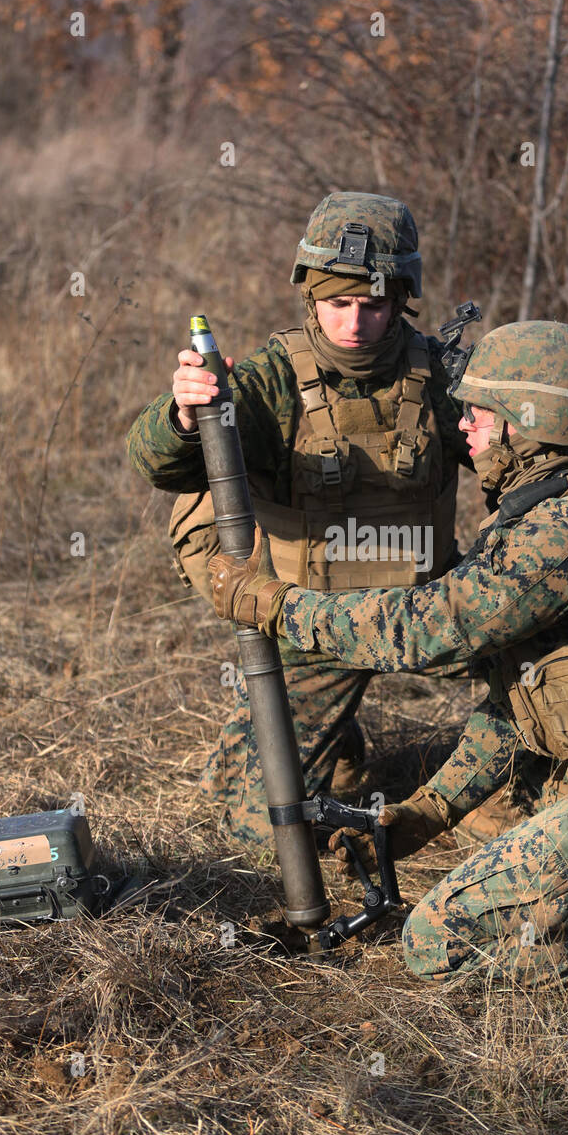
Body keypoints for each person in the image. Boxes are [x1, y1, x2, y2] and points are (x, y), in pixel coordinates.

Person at [208, 319, 568, 1016]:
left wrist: (272, 604)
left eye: (481, 414)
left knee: (440, 941)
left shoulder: (566, 533)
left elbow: (422, 631)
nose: (465, 428)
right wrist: (427, 814)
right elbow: (519, 704)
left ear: (528, 426)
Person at [126, 192, 482, 848]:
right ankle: (336, 746)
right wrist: (183, 415)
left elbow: (516, 463)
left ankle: (518, 782)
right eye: (336, 303)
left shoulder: (442, 376)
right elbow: (161, 468)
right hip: (310, 618)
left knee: (559, 675)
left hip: (429, 601)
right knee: (256, 824)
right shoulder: (269, 380)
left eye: (372, 304)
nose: (353, 322)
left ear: (402, 297)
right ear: (309, 297)